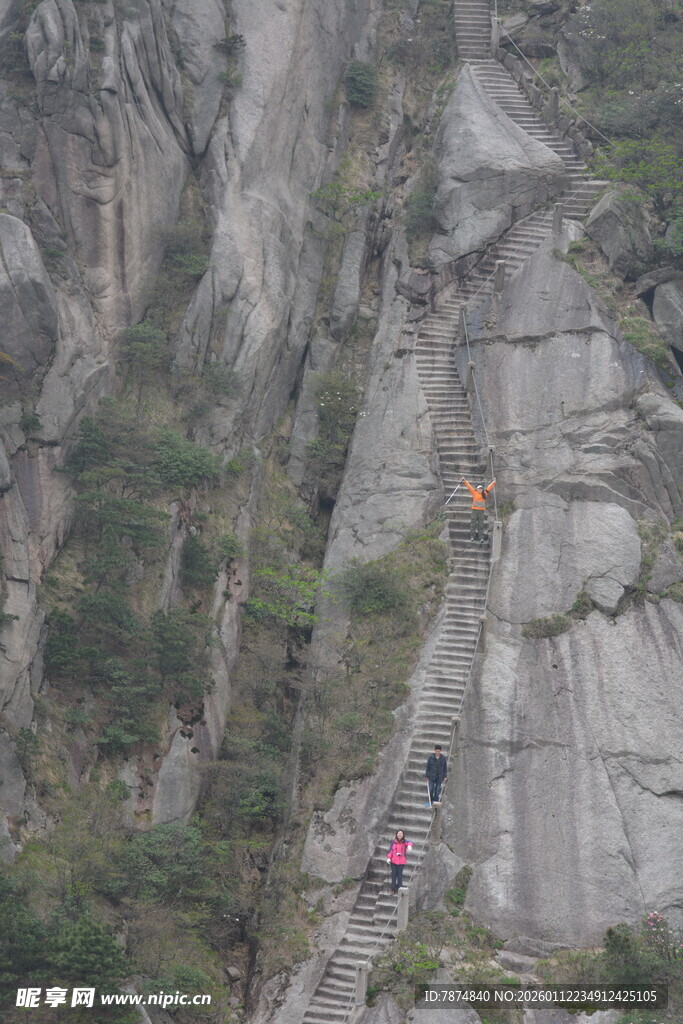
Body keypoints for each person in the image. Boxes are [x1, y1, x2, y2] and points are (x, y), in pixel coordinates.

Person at [462, 477, 496, 543]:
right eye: (479, 488)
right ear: (477, 489)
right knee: (473, 524)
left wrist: (494, 482)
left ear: (482, 489)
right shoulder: (474, 492)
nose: (480, 489)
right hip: (474, 510)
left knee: (481, 524)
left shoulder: (485, 493)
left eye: (481, 488)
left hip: (481, 511)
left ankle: (481, 538)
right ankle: (472, 536)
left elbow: (489, 487)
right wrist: (465, 481)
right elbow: (469, 487)